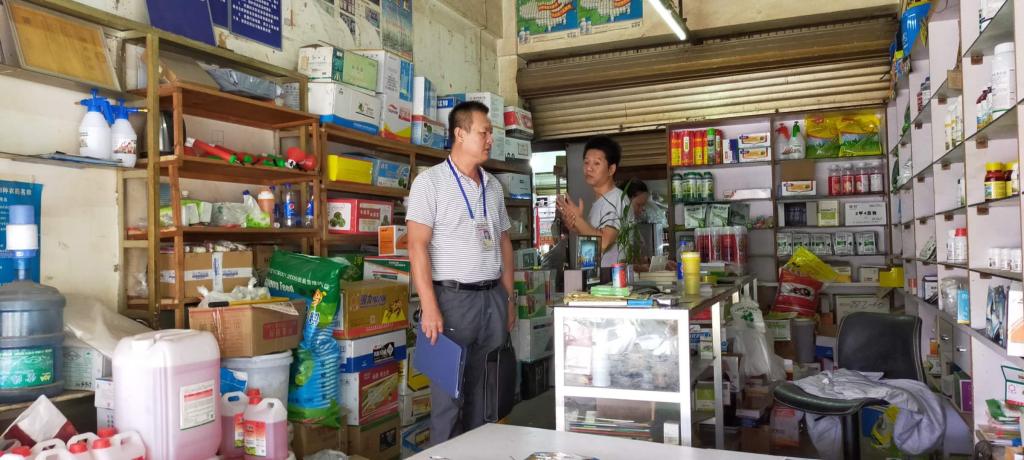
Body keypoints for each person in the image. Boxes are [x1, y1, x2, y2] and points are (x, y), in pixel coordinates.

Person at [405, 100, 516, 444]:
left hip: (492, 299)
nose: (490, 140)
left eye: (491, 133)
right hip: (450, 301)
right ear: (460, 134)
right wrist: (429, 306)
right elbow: (417, 246)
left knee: (486, 397)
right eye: (484, 132)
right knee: (448, 401)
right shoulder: (430, 183)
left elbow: (504, 243)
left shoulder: (493, 186)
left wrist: (509, 298)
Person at [556, 135, 626, 267]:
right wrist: (576, 226)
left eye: (596, 163)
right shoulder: (600, 203)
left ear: (611, 169)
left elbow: (603, 242)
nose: (589, 168)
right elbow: (592, 242)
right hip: (597, 277)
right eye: (586, 162)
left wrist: (578, 220)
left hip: (612, 278)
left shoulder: (616, 198)